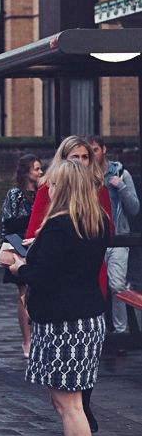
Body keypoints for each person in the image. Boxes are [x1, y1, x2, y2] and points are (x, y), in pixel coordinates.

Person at [9, 160, 110, 436]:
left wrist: (19, 267)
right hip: (86, 317)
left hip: (63, 323)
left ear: (63, 188)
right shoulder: (95, 220)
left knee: (70, 406)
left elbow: (42, 276)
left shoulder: (60, 224)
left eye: (52, 183)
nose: (47, 188)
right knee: (67, 401)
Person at [89, 135, 139, 335]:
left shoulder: (121, 173)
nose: (92, 155)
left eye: (95, 150)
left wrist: (121, 186)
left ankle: (121, 333)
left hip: (119, 238)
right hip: (94, 240)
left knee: (116, 285)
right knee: (96, 286)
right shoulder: (87, 176)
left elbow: (134, 208)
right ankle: (99, 332)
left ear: (104, 149)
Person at [0, 154, 42, 357]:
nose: (41, 172)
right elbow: (8, 222)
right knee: (24, 293)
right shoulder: (15, 194)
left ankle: (39, 337)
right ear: (27, 171)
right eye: (37, 168)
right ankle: (27, 341)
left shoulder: (44, 192)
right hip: (20, 248)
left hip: (40, 248)